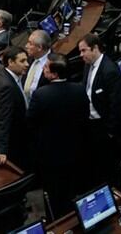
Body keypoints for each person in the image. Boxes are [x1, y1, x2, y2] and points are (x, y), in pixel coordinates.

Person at [26, 53, 89, 217]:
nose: (43, 69)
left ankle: (55, 220)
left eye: (46, 67)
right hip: (75, 148)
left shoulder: (41, 94)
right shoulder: (79, 89)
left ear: (54, 74)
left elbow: (31, 122)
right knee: (70, 186)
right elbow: (85, 116)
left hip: (49, 153)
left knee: (52, 191)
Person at [79, 33, 121, 188]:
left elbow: (117, 106)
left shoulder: (110, 71)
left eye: (84, 50)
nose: (81, 55)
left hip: (104, 126)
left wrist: (110, 132)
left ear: (95, 48)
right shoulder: (88, 65)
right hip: (90, 120)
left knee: (105, 164)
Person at [0, 46, 29, 168]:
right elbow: (3, 119)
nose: (27, 64)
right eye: (22, 61)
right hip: (14, 137)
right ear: (10, 62)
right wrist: (1, 150)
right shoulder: (7, 87)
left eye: (26, 60)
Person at [21, 30, 52, 99]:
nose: (26, 46)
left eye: (30, 43)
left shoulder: (53, 63)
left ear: (39, 48)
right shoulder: (29, 57)